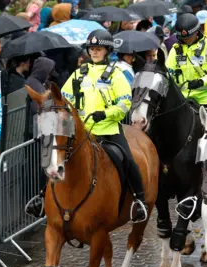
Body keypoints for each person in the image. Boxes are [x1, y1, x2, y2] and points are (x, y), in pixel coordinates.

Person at [25, 29, 148, 223]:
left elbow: (125, 103)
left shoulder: (116, 75)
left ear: (107, 50)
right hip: (81, 131)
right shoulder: (78, 74)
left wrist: (105, 114)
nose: (94, 53)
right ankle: (41, 197)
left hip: (107, 130)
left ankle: (139, 201)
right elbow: (64, 100)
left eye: (98, 49)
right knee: (55, 157)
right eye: (91, 49)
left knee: (128, 159)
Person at [166, 13, 207, 113]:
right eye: (183, 38)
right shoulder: (175, 49)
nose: (185, 40)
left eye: (188, 37)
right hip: (182, 100)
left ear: (197, 32)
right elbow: (168, 73)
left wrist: (201, 82)